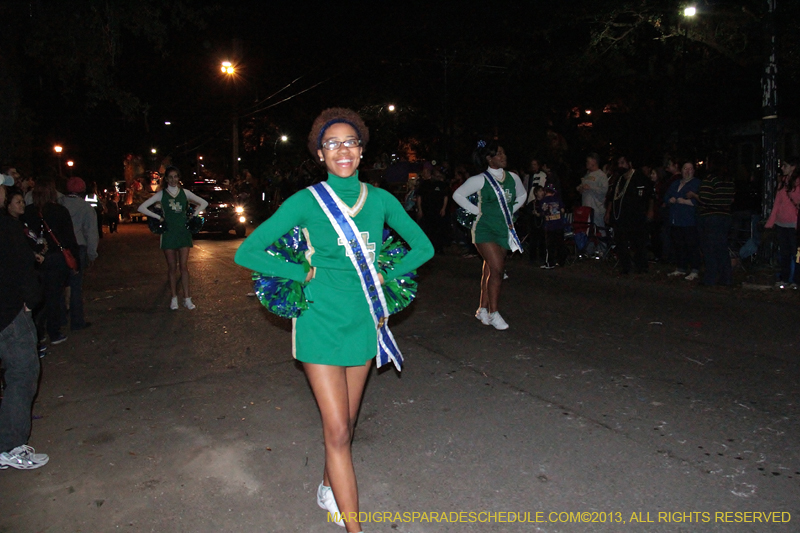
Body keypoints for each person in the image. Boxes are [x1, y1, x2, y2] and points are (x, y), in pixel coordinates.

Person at [234, 108, 433, 533]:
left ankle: (328, 484)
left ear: (361, 152)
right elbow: (247, 252)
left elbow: (423, 247)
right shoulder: (305, 201)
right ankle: (355, 528)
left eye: (350, 143)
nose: (342, 150)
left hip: (364, 321)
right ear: (320, 154)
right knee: (339, 432)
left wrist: (386, 273)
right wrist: (298, 272)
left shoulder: (381, 200)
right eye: (332, 144)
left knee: (347, 424)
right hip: (319, 321)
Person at [0, 174, 49, 470]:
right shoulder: (6, 226)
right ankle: (10, 446)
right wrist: (31, 301)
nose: (5, 193)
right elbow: (21, 267)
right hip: (6, 314)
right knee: (22, 371)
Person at [452, 140, 526, 330]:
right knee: (498, 270)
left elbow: (522, 195)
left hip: (504, 229)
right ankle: (494, 313)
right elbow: (458, 195)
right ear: (489, 158)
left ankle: (482, 309)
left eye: (503, 153)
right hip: (484, 230)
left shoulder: (513, 177)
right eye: (499, 154)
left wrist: (511, 210)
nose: (504, 157)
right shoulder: (480, 179)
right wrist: (476, 210)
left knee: (491, 270)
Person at [138, 166, 208, 310]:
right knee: (171, 267)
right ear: (166, 179)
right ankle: (174, 298)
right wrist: (158, 217)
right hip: (168, 233)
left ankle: (187, 298)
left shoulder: (185, 193)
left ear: (179, 178)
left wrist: (193, 214)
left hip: (183, 232)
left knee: (184, 267)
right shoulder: (161, 194)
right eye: (170, 177)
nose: (173, 179)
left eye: (176, 176)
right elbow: (142, 208)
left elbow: (204, 203)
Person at [21, 177, 78, 346]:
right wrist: (75, 262)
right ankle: (53, 331)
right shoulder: (59, 211)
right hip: (55, 258)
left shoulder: (27, 212)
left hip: (36, 258)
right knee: (54, 296)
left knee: (39, 296)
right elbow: (69, 237)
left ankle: (38, 332)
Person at [690, 152, 735, 286]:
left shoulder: (710, 179)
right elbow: (731, 199)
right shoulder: (729, 180)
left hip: (710, 217)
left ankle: (710, 277)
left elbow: (704, 198)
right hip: (724, 216)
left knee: (709, 249)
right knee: (721, 248)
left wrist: (694, 195)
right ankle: (726, 278)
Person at [61, 177, 99, 329]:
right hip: (78, 247)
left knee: (59, 285)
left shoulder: (59, 204)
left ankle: (59, 320)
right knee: (76, 286)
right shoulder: (86, 208)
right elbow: (91, 233)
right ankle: (77, 321)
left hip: (61, 248)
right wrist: (92, 254)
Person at [609, 155, 653, 274]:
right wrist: (609, 213)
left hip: (636, 217)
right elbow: (612, 198)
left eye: (623, 163)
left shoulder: (640, 178)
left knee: (638, 242)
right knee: (621, 242)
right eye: (619, 163)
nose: (621, 166)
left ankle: (642, 266)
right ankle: (626, 267)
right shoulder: (619, 180)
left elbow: (650, 196)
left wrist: (650, 211)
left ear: (629, 163)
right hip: (620, 217)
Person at [765, 157, 800, 288]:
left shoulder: (797, 184)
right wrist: (771, 222)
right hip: (782, 223)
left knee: (796, 253)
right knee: (784, 253)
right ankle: (785, 278)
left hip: (794, 223)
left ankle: (796, 279)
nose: (782, 168)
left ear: (793, 167)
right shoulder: (782, 183)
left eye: (785, 165)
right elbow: (777, 204)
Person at [665, 161, 701, 280]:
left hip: (689, 221)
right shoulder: (675, 183)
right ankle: (681, 267)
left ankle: (695, 269)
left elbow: (700, 201)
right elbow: (666, 196)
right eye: (685, 168)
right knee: (678, 245)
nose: (687, 171)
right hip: (676, 220)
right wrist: (670, 200)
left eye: (690, 169)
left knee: (691, 245)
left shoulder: (697, 183)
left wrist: (686, 202)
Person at [536, 185, 567, 268]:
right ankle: (561, 261)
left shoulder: (544, 201)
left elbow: (542, 212)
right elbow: (563, 210)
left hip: (550, 226)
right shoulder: (558, 200)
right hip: (559, 225)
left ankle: (550, 263)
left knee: (550, 245)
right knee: (560, 243)